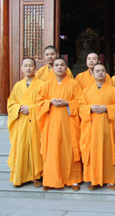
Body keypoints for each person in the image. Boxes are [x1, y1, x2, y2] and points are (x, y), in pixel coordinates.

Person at [36, 58, 83, 191]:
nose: (59, 67)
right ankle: (50, 180)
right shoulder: (47, 84)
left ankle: (73, 180)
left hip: (69, 122)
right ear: (53, 68)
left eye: (62, 65)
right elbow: (39, 102)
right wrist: (50, 102)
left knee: (70, 150)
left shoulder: (74, 84)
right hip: (51, 123)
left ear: (67, 68)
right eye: (56, 65)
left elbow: (80, 101)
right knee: (52, 150)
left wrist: (67, 103)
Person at [79, 63, 115, 191]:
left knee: (109, 153)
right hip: (91, 128)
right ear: (92, 74)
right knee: (92, 153)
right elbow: (80, 107)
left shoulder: (113, 90)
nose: (100, 73)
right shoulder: (86, 91)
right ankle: (93, 180)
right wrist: (90, 108)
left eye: (103, 70)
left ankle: (111, 179)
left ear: (106, 73)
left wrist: (107, 108)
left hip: (108, 128)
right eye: (97, 71)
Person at [7, 58, 44, 187]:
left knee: (36, 148)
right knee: (20, 148)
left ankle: (37, 176)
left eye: (31, 66)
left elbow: (44, 103)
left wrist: (31, 108)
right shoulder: (18, 86)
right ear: (22, 68)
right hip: (21, 121)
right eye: (26, 66)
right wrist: (19, 108)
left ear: (35, 69)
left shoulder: (41, 84)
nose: (28, 68)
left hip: (35, 122)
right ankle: (20, 176)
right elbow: (11, 103)